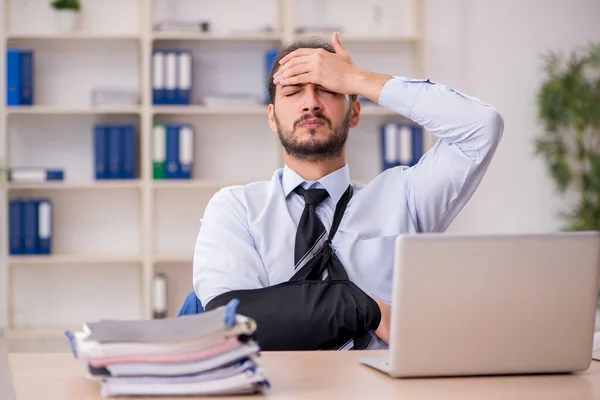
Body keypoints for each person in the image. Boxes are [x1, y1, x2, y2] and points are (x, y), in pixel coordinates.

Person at [193, 32, 504, 351]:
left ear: (355, 112)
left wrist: (358, 79)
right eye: (293, 91)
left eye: (328, 88)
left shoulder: (406, 198)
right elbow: (229, 321)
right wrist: (359, 306)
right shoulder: (236, 208)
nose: (311, 102)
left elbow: (482, 126)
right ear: (272, 118)